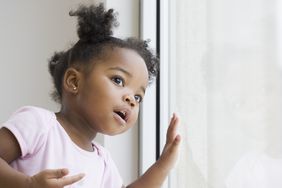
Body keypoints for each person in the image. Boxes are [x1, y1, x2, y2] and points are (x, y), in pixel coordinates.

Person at [0, 4, 181, 188]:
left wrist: (163, 165)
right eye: (118, 80)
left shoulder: (103, 163)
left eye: (138, 97)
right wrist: (27, 184)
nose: (131, 100)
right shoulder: (39, 125)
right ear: (74, 81)